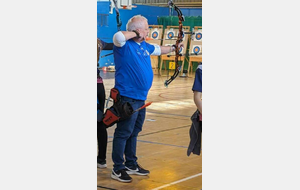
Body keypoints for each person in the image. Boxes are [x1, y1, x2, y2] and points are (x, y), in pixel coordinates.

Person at [110, 15, 184, 183]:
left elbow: (158, 50)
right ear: (136, 29)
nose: (148, 31)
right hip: (127, 97)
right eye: (145, 28)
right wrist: (134, 32)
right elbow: (118, 37)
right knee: (123, 133)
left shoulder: (144, 46)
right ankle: (118, 168)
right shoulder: (123, 45)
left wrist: (173, 48)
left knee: (134, 132)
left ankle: (131, 163)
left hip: (140, 99)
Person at [97, 38, 114, 168]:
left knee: (99, 122)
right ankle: (101, 159)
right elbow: (113, 45)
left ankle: (101, 158)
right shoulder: (98, 41)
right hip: (98, 87)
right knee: (99, 122)